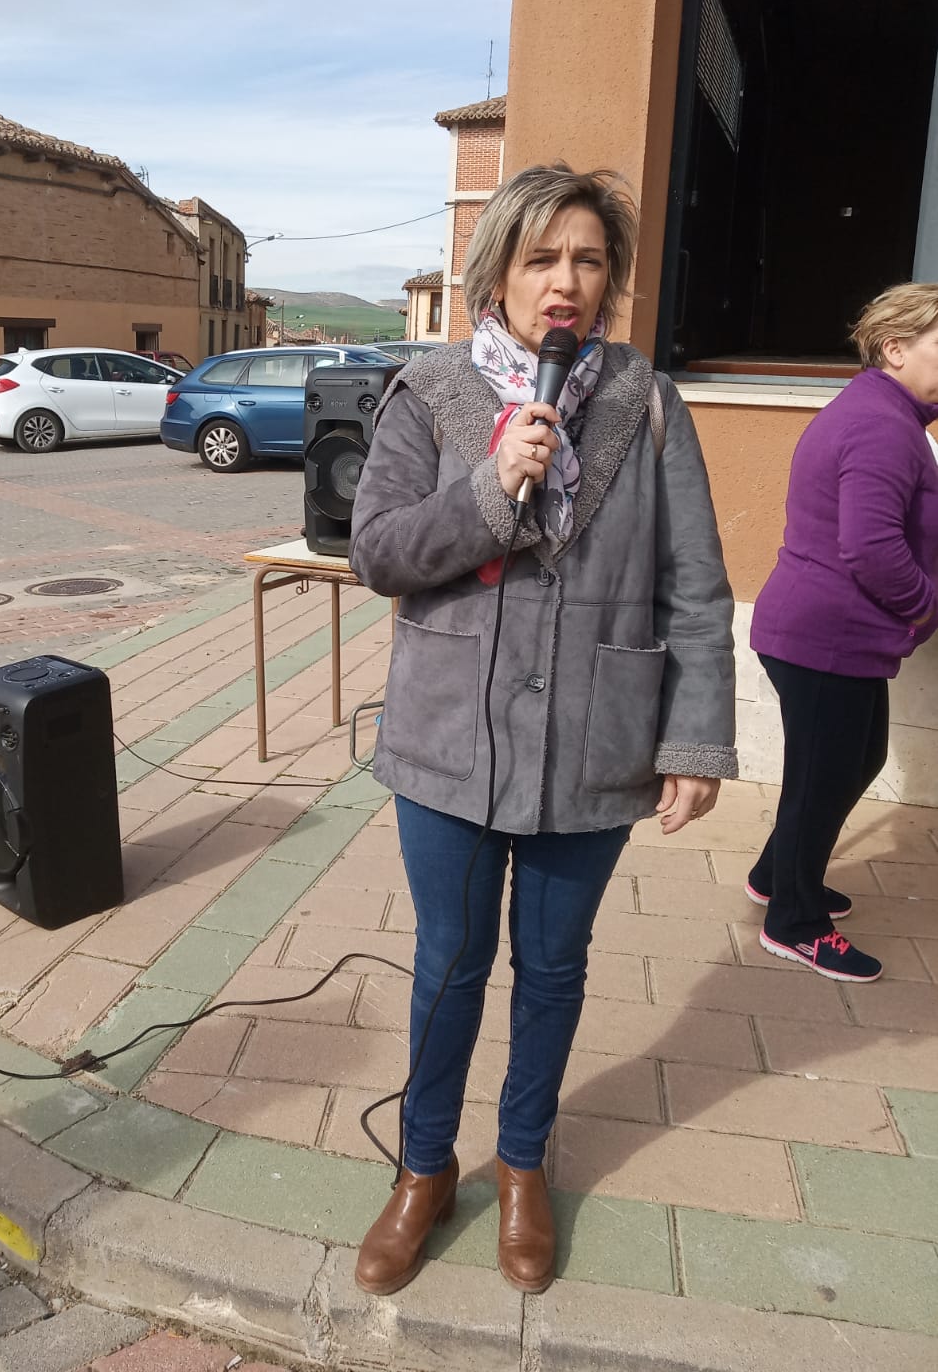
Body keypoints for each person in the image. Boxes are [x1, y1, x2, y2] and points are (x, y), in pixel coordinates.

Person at [347, 163, 736, 1296]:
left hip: (596, 741)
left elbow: (696, 584)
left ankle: (522, 1163)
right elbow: (377, 554)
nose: (565, 283)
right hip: (447, 744)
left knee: (553, 969)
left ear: (610, 279)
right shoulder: (426, 391)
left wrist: (694, 738)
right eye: (541, 258)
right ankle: (424, 1167)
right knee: (450, 966)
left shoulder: (645, 401)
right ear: (498, 273)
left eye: (589, 260)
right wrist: (485, 487)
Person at [748, 283, 938, 984]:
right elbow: (871, 546)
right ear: (895, 348)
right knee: (821, 779)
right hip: (825, 635)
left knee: (852, 761)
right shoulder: (882, 425)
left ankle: (777, 875)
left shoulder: (890, 413)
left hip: (830, 634)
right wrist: (922, 606)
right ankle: (794, 922)